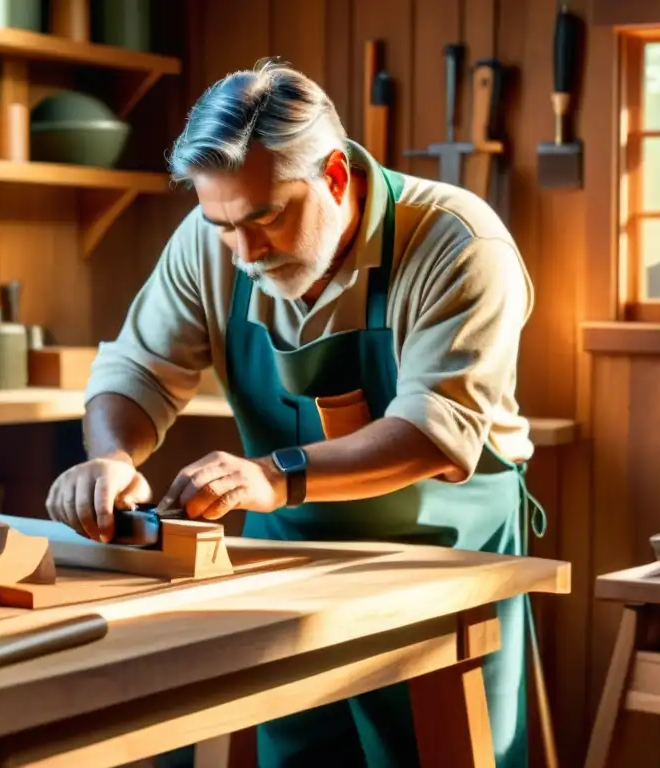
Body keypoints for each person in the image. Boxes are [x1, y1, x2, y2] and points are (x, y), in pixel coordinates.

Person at [45, 57, 543, 768]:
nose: (245, 252)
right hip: (288, 557)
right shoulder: (211, 241)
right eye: (222, 225)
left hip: (446, 565)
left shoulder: (458, 243)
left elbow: (435, 432)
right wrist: (112, 456)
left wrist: (273, 476)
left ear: (335, 176)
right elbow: (136, 369)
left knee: (440, 752)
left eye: (268, 216)